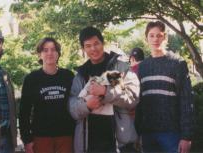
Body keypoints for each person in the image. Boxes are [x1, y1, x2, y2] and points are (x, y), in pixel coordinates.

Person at [69, 26, 140, 153]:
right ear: (83, 49)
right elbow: (73, 109)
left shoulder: (121, 68)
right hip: (89, 145)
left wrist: (105, 92)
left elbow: (133, 98)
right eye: (88, 45)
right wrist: (87, 105)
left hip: (119, 144)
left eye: (96, 43)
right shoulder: (81, 74)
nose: (93, 49)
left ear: (103, 43)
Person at [135, 21, 194, 153]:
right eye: (151, 35)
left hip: (172, 134)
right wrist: (137, 133)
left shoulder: (177, 63)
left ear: (165, 37)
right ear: (146, 38)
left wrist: (186, 136)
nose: (155, 39)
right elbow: (140, 102)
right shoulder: (143, 67)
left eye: (159, 35)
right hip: (148, 134)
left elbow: (186, 101)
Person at [19, 37, 75, 153]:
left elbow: (76, 105)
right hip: (41, 137)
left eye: (53, 49)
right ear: (40, 54)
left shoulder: (68, 76)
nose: (50, 53)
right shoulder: (31, 79)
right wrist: (27, 140)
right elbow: (24, 112)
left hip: (66, 136)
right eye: (45, 50)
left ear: (58, 54)